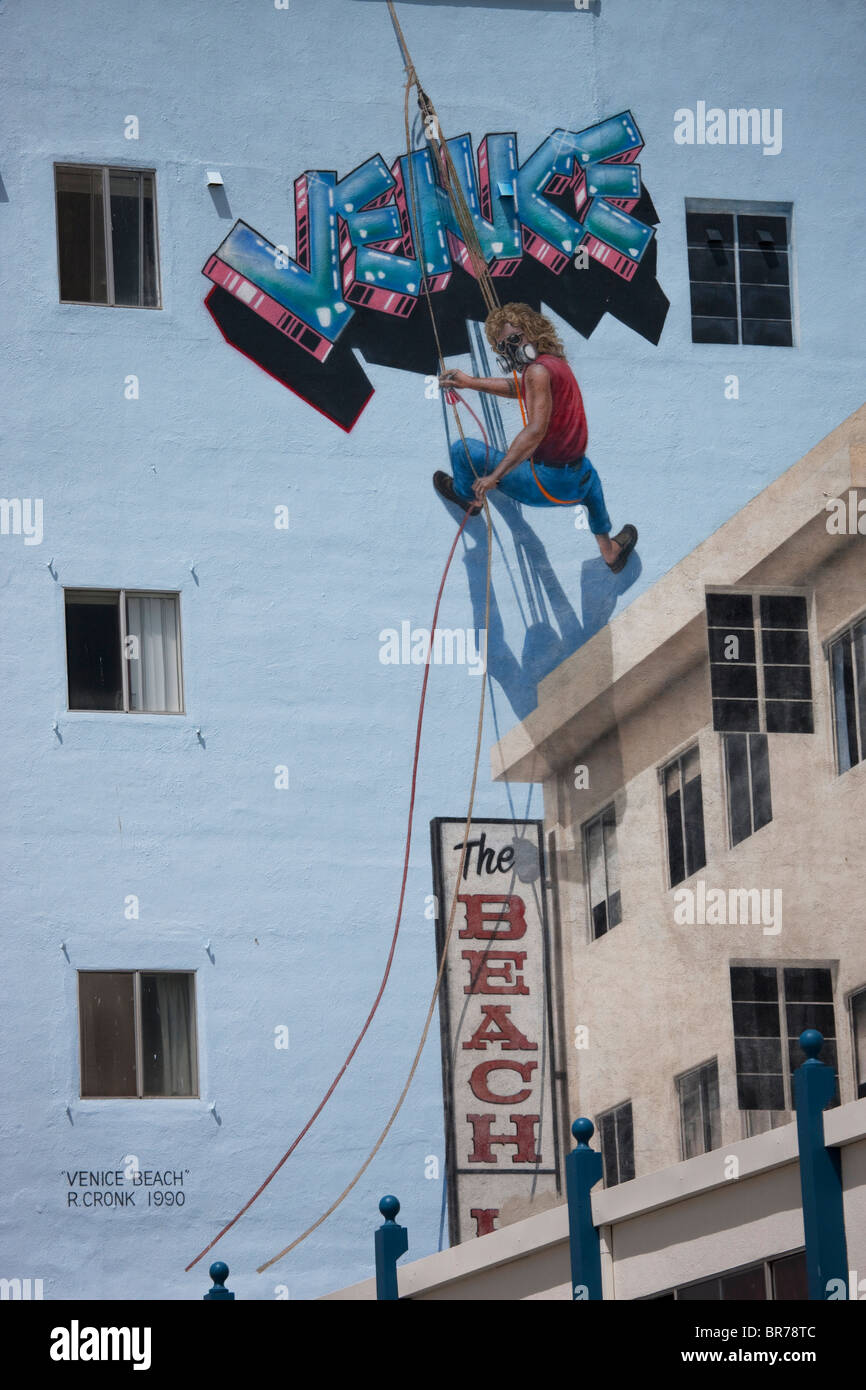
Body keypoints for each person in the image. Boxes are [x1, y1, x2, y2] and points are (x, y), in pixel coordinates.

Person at [433, 302, 637, 573]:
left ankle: (469, 500)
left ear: (533, 332)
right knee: (592, 482)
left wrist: (496, 475)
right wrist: (470, 382)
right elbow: (522, 388)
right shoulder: (553, 365)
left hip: (546, 484)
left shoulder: (537, 372)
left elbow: (535, 431)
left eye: (516, 340)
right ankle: (610, 552)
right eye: (504, 346)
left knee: (463, 450)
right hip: (578, 479)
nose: (511, 349)